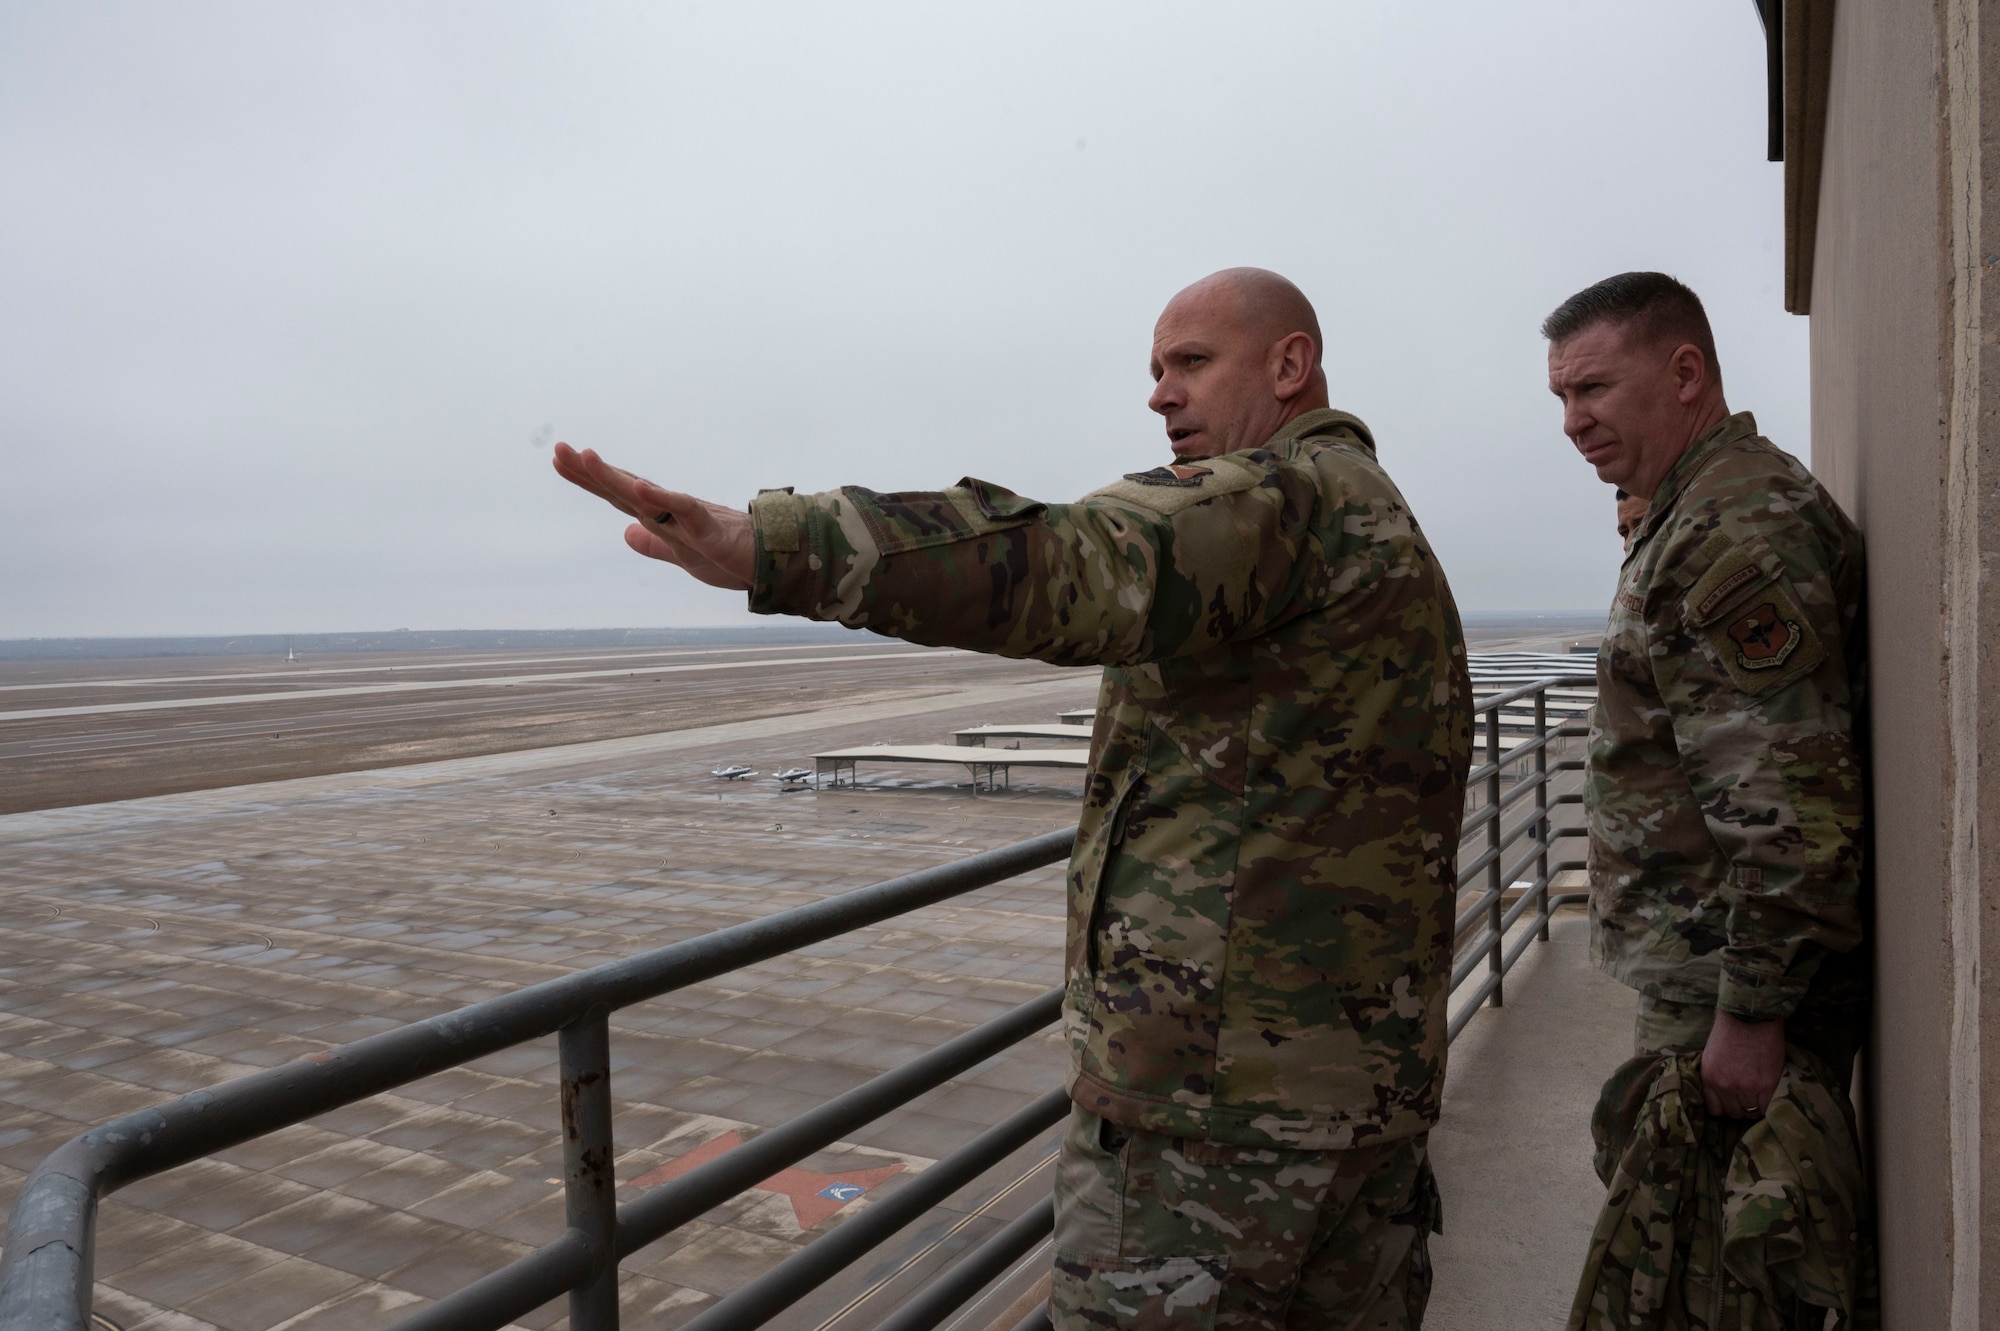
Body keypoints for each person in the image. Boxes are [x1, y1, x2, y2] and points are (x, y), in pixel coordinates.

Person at [555, 268, 1471, 1329]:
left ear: (1288, 364)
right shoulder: (1381, 523)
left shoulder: (1278, 502)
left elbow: (1067, 559)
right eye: (1154, 369)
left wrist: (772, 545)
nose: (1159, 395)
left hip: (1215, 1130)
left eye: (1190, 362)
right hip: (1354, 1101)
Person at [1544, 273, 1871, 1307]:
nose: (1571, 422)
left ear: (1684, 372)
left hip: (1728, 1008)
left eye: (1591, 387)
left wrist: (1750, 1009)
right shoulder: (1693, 510)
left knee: (1706, 1288)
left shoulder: (1728, 533)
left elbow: (1784, 806)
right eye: (1558, 397)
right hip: (1707, 989)